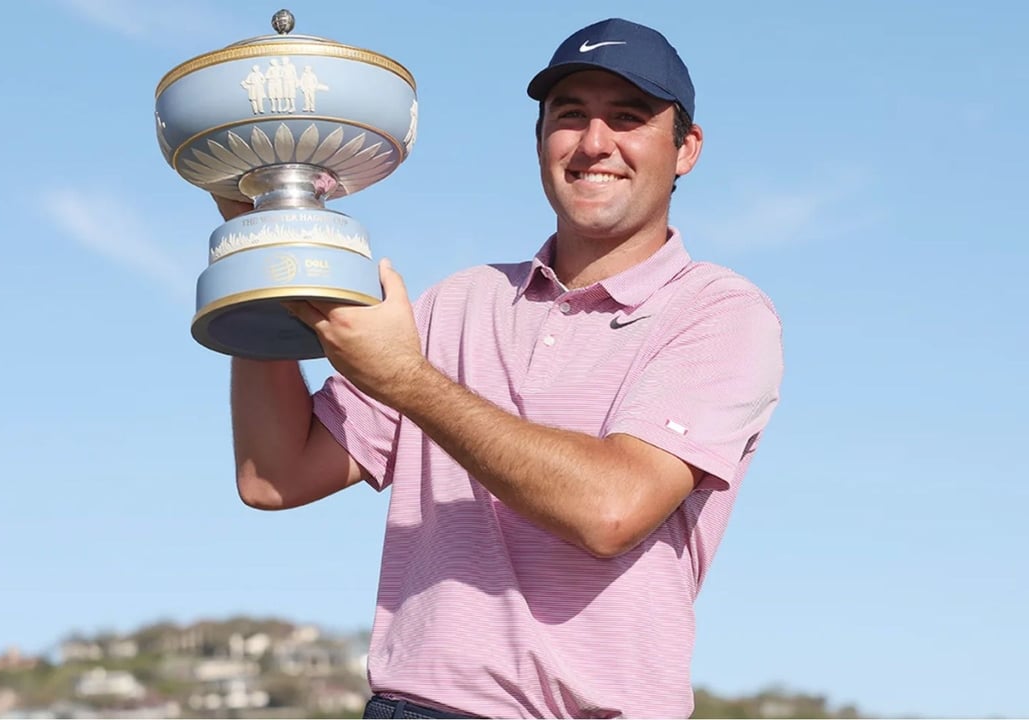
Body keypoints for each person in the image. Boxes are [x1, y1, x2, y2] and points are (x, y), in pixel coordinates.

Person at [218, 17, 785, 719]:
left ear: (685, 148)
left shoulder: (719, 313)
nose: (595, 143)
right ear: (541, 139)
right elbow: (274, 475)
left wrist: (408, 381)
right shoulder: (459, 300)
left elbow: (611, 510)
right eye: (569, 117)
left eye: (629, 118)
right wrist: (259, 245)